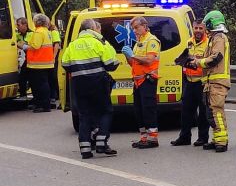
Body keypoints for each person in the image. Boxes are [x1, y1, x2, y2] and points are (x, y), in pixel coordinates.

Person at [61, 19, 119, 159]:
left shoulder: (72, 45)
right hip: (98, 82)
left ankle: (85, 149)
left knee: (84, 115)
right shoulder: (99, 43)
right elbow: (111, 64)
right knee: (106, 111)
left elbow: (65, 64)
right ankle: (101, 142)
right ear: (93, 29)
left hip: (79, 84)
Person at [190, 10, 230, 153]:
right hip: (210, 83)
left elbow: (216, 57)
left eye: (206, 24)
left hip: (217, 82)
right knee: (211, 113)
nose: (205, 27)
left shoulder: (219, 37)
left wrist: (198, 62)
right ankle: (216, 139)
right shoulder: (214, 38)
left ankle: (221, 141)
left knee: (217, 112)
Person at [121, 16, 161, 148]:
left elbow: (149, 60)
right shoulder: (138, 42)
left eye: (137, 27)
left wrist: (132, 55)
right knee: (139, 110)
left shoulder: (152, 40)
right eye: (133, 28)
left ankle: (152, 139)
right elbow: (133, 63)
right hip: (138, 81)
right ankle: (144, 137)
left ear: (145, 26)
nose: (135, 31)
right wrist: (127, 55)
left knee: (148, 109)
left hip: (148, 80)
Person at [171, 20, 210, 146]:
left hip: (202, 82)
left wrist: (196, 61)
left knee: (203, 113)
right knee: (186, 111)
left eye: (200, 28)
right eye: (196, 28)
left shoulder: (209, 43)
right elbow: (186, 57)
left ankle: (202, 138)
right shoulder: (189, 42)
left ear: (205, 30)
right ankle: (184, 137)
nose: (198, 30)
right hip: (189, 81)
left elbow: (208, 61)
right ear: (193, 28)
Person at [23, 14, 54, 112]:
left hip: (38, 63)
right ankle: (45, 104)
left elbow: (35, 46)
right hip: (46, 63)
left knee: (39, 86)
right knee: (44, 84)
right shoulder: (47, 31)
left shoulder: (39, 32)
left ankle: (43, 105)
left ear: (37, 22)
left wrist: (24, 46)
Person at [15, 17, 30, 100]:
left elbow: (26, 45)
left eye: (18, 25)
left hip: (34, 60)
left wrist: (20, 44)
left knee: (33, 79)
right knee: (22, 77)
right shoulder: (18, 35)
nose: (17, 27)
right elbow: (14, 42)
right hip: (28, 59)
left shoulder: (31, 33)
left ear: (25, 25)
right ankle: (23, 95)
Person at [48, 22, 62, 108]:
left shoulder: (54, 32)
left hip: (53, 57)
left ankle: (57, 95)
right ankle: (55, 95)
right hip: (50, 57)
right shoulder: (49, 32)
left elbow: (56, 45)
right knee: (52, 76)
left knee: (53, 76)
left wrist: (53, 57)